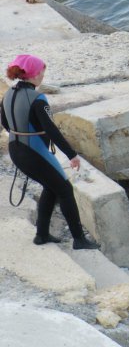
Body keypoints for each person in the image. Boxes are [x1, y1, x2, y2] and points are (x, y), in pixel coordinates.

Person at [1, 54, 99, 249]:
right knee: (64, 189)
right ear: (34, 74)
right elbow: (51, 129)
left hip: (16, 150)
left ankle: (42, 235)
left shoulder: (8, 94)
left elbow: (4, 122)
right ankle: (79, 240)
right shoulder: (38, 99)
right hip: (33, 152)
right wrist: (72, 154)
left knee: (51, 187)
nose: (43, 77)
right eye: (42, 73)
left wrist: (21, 132)